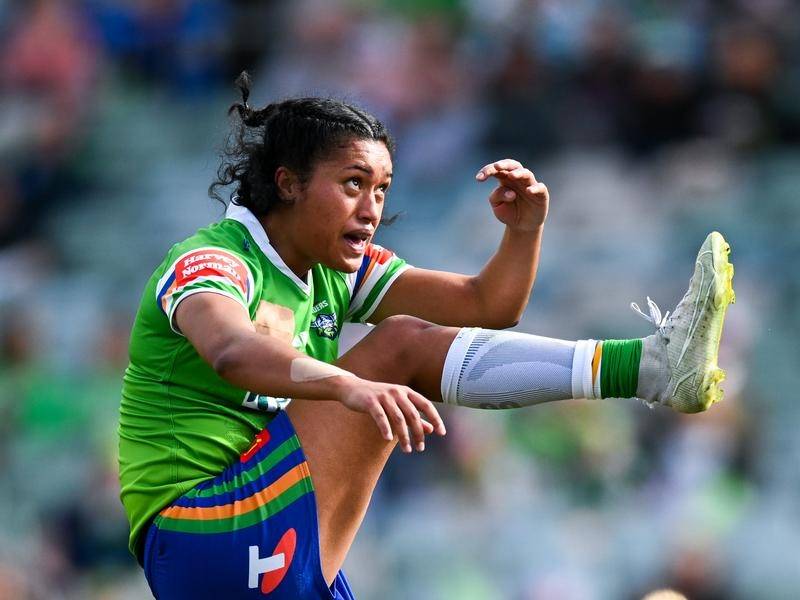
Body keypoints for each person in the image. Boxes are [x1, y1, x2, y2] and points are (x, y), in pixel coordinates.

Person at [118, 73, 735, 599]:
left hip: (260, 524)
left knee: (406, 342)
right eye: (353, 183)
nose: (371, 208)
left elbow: (486, 304)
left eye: (381, 189)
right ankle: (651, 367)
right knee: (400, 344)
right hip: (203, 528)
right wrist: (348, 386)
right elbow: (231, 350)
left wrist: (522, 233)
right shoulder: (211, 263)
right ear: (287, 183)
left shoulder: (335, 269)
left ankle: (656, 369)